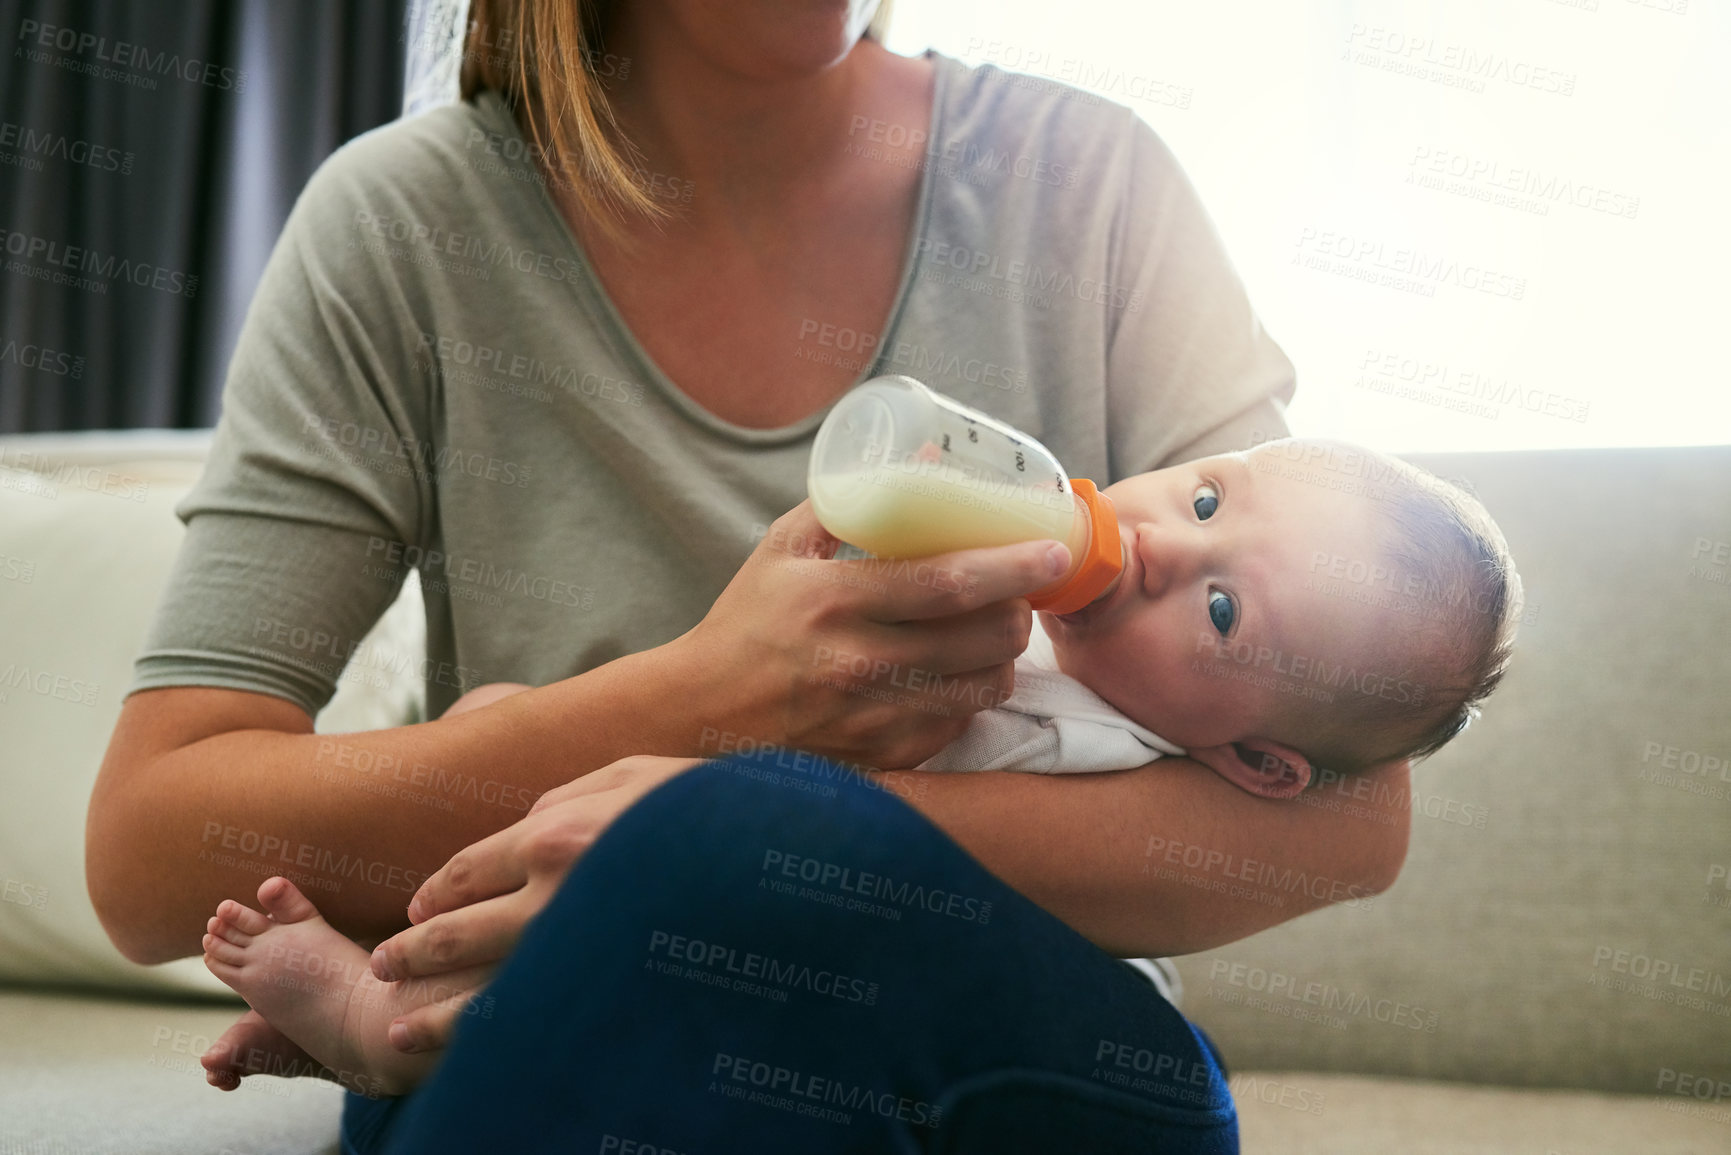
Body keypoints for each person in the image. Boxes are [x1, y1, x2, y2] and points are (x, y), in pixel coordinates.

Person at [86, 2, 1417, 1150]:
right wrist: (701, 698)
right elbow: (152, 853)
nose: (1176, 538)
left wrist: (722, 834)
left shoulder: (1091, 189)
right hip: (541, 1015)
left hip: (1000, 1062)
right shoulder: (409, 226)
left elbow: (1351, 815)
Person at [195, 436, 1518, 1104]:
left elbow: (800, 819)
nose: (1165, 546)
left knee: (686, 911)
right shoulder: (1006, 622)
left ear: (1259, 760)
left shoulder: (1127, 751)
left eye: (1225, 614)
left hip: (936, 1020)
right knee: (501, 718)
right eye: (1210, 500)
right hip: (736, 910)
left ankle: (389, 1031)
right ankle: (403, 972)